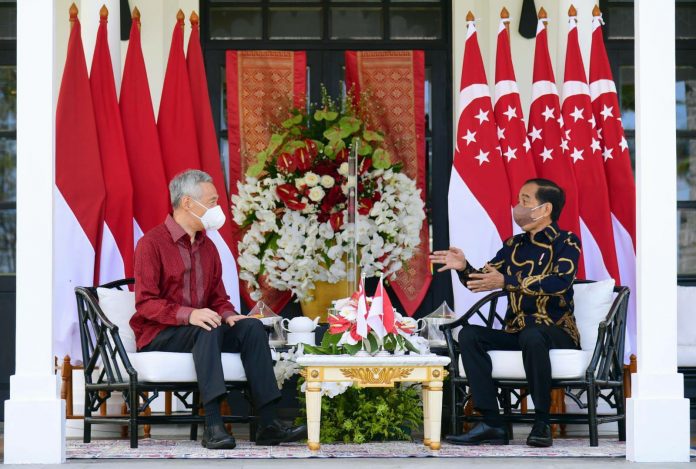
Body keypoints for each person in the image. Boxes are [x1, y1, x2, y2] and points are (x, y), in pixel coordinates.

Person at [130, 169, 306, 449]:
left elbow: (219, 298)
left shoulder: (207, 247)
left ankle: (269, 423)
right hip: (161, 333)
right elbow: (146, 303)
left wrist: (228, 315)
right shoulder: (151, 244)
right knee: (206, 328)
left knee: (250, 328)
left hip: (202, 331)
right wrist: (190, 314)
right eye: (212, 202)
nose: (217, 209)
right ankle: (213, 425)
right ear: (188, 203)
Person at [430, 178, 582, 448]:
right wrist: (463, 267)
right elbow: (481, 280)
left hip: (556, 330)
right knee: (470, 335)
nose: (517, 206)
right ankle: (491, 423)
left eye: (525, 201)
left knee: (533, 336)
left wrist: (508, 281)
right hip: (519, 331)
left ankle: (542, 422)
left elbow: (560, 283)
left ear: (545, 209)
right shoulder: (514, 245)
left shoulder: (567, 242)